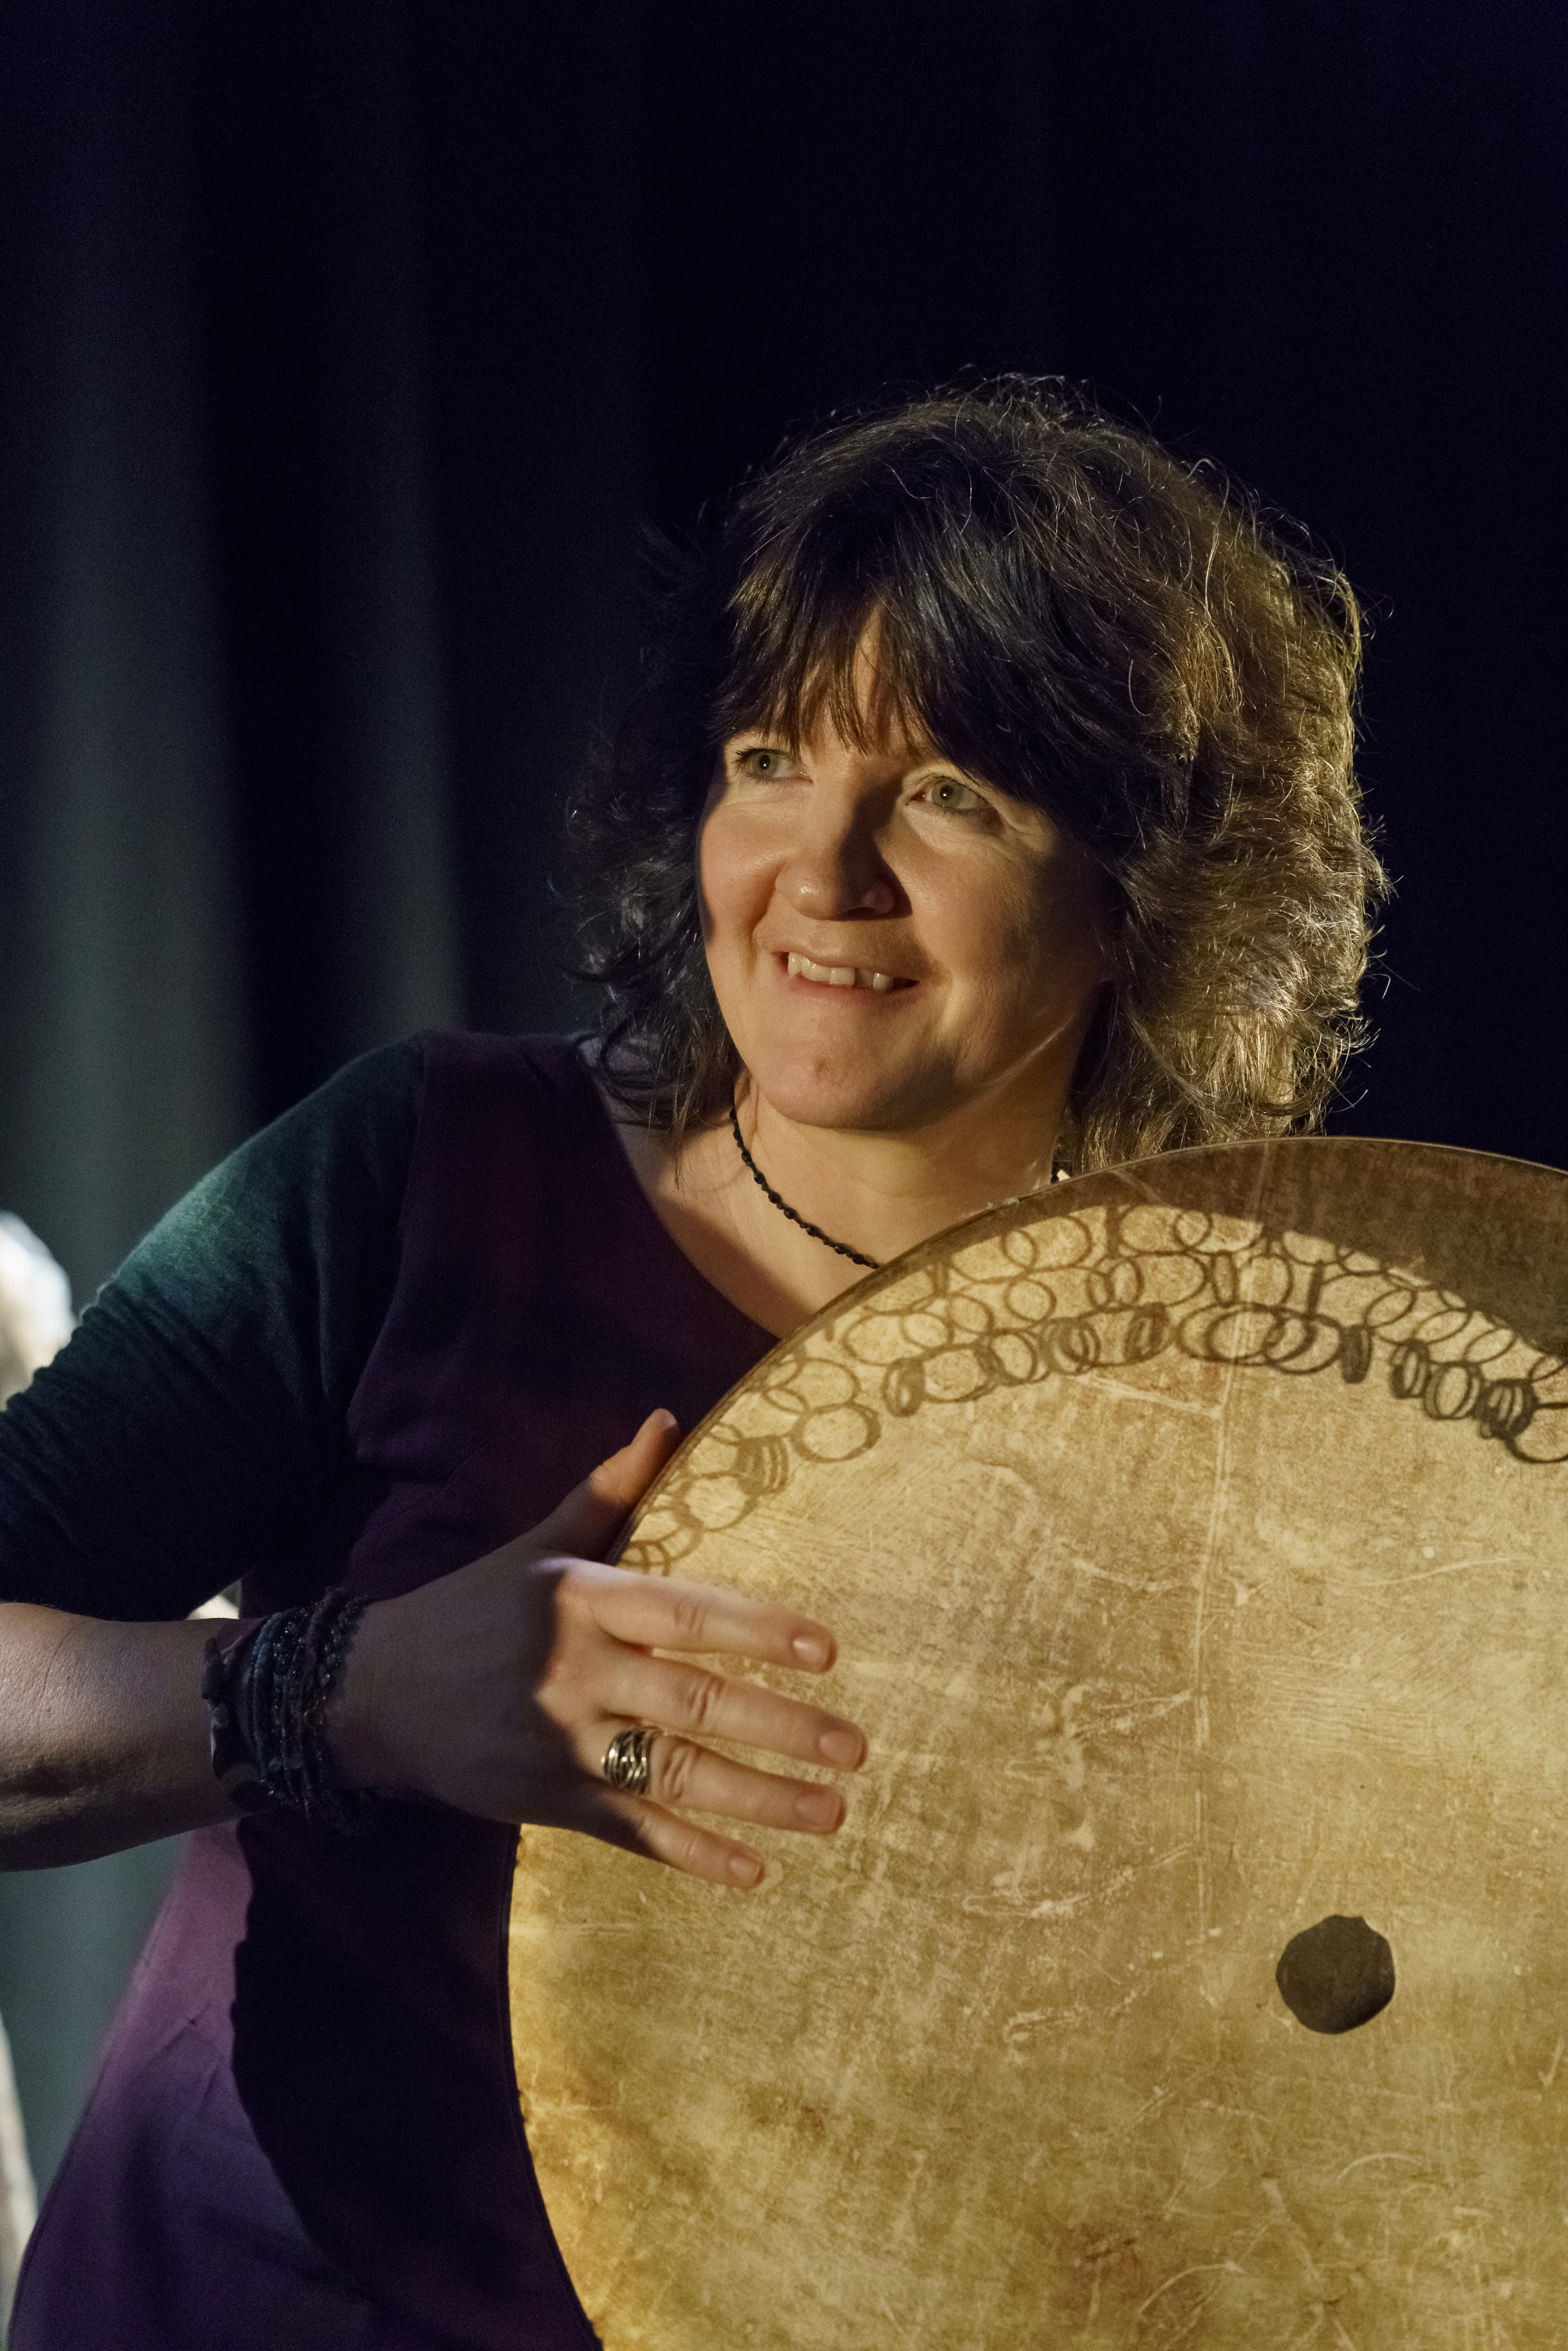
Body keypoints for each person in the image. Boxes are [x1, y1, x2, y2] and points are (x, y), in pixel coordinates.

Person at [0, 379, 1383, 2348]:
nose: (823, 874)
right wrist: (354, 1686)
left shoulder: (1244, 1390)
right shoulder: (431, 1175)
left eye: (950, 795)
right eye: (769, 760)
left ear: (1140, 897)